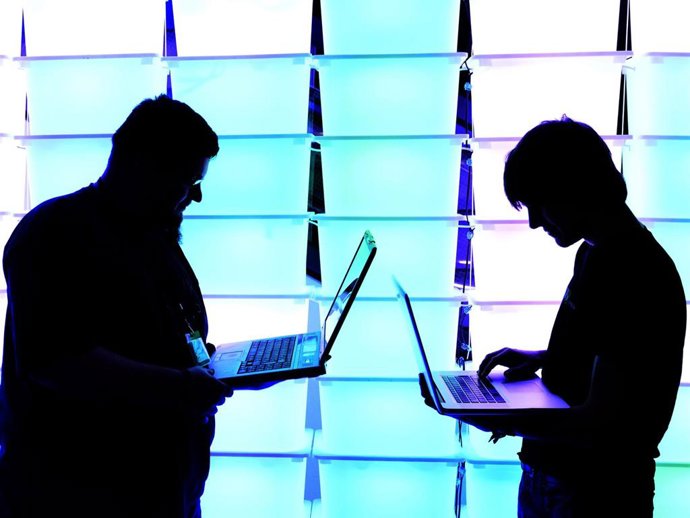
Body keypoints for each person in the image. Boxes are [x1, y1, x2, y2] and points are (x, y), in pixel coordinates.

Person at [421, 117, 686, 517]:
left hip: (595, 493)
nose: (533, 221)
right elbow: (617, 353)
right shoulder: (599, 252)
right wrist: (547, 357)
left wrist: (498, 419)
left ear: (574, 189)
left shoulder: (635, 272)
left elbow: (601, 424)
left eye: (538, 203)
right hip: (560, 481)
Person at [0, 95, 237, 518]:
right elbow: (57, 363)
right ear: (143, 165)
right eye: (188, 180)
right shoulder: (53, 234)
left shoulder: (152, 235)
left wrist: (217, 367)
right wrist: (183, 385)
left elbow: (164, 336)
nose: (195, 197)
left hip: (161, 491)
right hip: (82, 496)